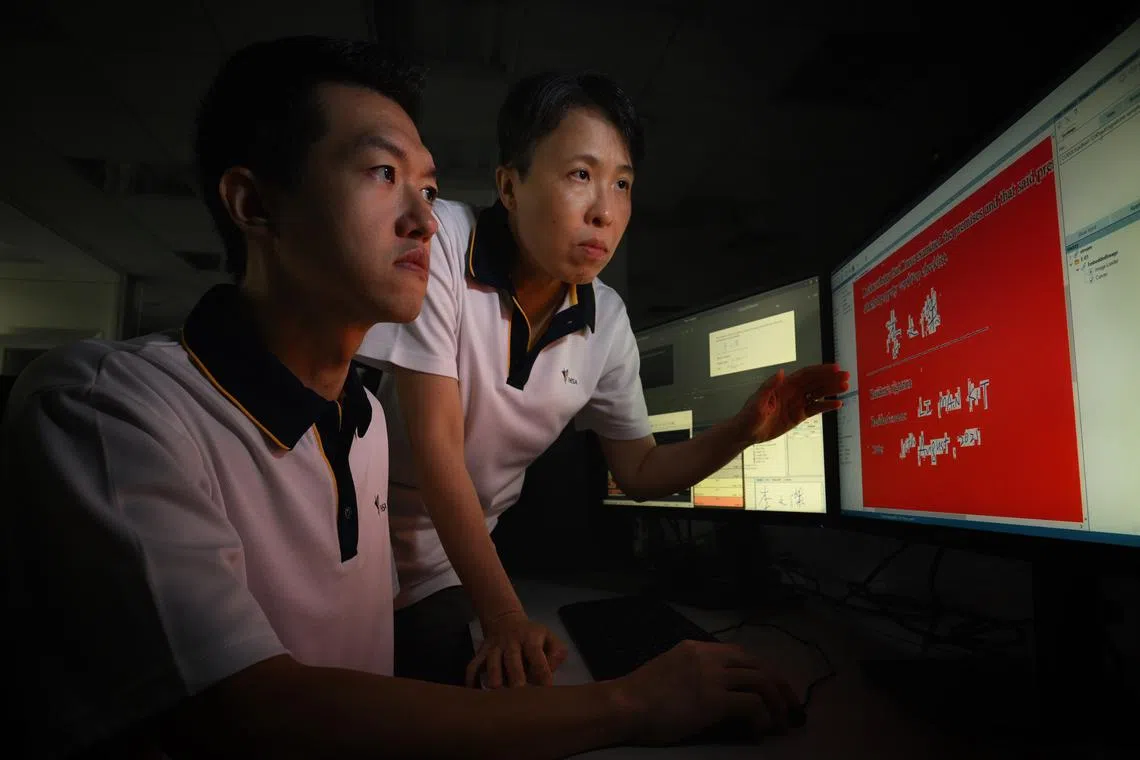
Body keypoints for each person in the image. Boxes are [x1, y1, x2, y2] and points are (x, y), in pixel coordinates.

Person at [1, 37, 802, 759]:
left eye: (427, 185)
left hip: (444, 573)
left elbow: (349, 689)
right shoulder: (103, 409)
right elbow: (253, 712)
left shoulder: (362, 431)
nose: (425, 218)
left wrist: (743, 430)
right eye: (384, 173)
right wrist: (626, 701)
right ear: (254, 204)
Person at [355, 71, 850, 690]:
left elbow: (639, 470)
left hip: (446, 570)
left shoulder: (607, 320)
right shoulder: (445, 242)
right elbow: (438, 453)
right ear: (509, 186)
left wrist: (743, 432)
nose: (605, 212)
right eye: (580, 175)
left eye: (622, 184)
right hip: (361, 537)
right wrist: (505, 617)